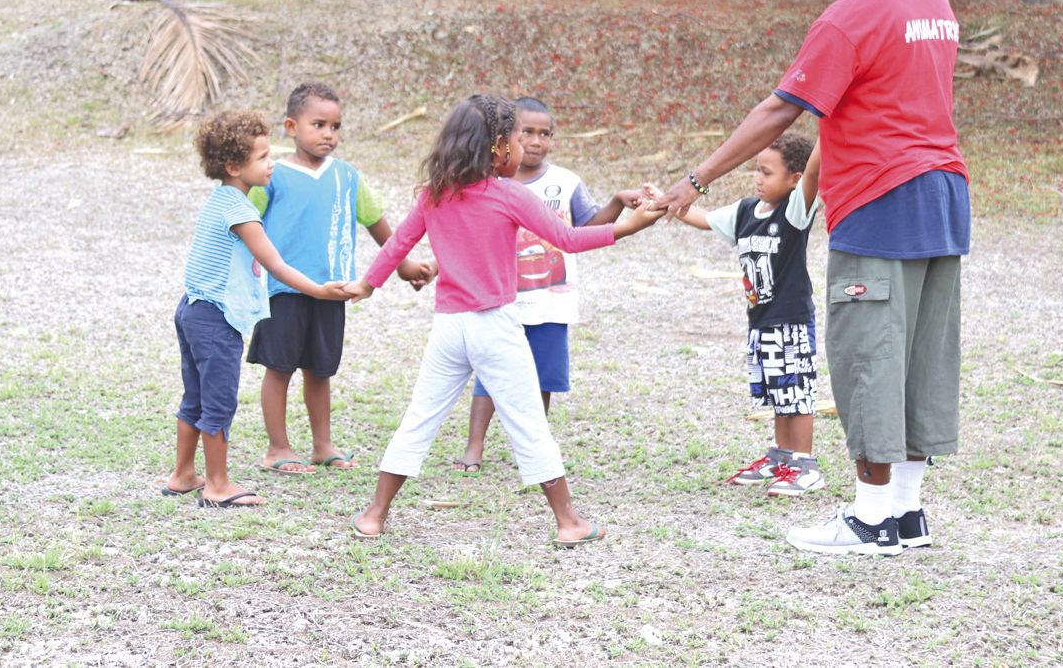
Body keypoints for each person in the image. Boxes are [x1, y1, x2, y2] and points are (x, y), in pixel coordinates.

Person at [655, 0, 970, 556]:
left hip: (882, 202)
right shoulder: (933, 3)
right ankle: (906, 515)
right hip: (942, 196)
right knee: (919, 357)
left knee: (870, 356)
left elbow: (779, 112)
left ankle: (868, 519)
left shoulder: (851, 16)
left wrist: (694, 179)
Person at [341, 94, 663, 545]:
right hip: (495, 325)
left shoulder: (434, 195)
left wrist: (367, 285)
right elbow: (567, 239)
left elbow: (398, 244)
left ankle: (375, 514)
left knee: (419, 418)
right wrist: (629, 226)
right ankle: (569, 522)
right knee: (528, 421)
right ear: (497, 146)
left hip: (449, 327)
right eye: (516, 139)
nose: (522, 148)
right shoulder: (509, 195)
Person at [452, 96, 656, 473]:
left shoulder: (565, 182)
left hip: (550, 301)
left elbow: (586, 228)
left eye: (545, 134)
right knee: (490, 375)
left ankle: (533, 446)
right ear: (504, 138)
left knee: (541, 377)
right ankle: (474, 445)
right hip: (502, 299)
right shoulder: (489, 183)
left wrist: (617, 203)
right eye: (526, 132)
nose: (535, 141)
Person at [164, 110, 352, 509]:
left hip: (191, 309)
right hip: (215, 318)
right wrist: (319, 290)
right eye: (263, 158)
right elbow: (277, 264)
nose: (271, 165)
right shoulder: (242, 211)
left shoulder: (220, 199)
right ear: (234, 166)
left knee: (194, 396)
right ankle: (217, 485)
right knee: (218, 401)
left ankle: (183, 475)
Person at [247, 83, 434, 475]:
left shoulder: (347, 177)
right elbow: (245, 226)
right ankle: (277, 448)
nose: (329, 134)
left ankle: (322, 445)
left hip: (334, 292)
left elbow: (379, 226)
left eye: (335, 126)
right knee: (278, 368)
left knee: (321, 370)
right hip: (283, 290)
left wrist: (403, 266)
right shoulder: (272, 176)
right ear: (291, 127)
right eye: (318, 124)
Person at [673, 131, 825, 497]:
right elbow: (701, 217)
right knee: (777, 393)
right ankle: (782, 456)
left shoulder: (795, 211)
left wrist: (829, 128)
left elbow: (816, 171)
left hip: (789, 319)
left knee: (797, 392)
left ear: (793, 180)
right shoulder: (744, 212)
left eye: (767, 173)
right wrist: (667, 201)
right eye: (756, 170)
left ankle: (805, 464)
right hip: (760, 321)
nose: (758, 179)